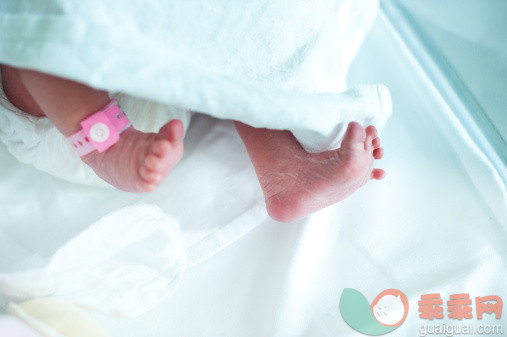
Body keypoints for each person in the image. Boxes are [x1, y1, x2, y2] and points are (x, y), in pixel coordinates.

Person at [0, 64, 385, 222]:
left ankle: (283, 168)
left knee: (227, 43)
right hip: (63, 119)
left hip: (162, 82)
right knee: (30, 37)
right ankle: (110, 144)